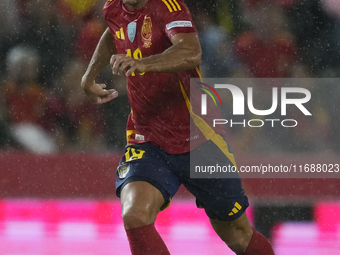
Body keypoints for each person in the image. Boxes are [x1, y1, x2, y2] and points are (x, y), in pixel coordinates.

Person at [81, 0, 275, 254]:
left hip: (198, 136)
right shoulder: (113, 8)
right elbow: (114, 30)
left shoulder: (168, 6)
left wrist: (144, 63)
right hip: (147, 137)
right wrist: (90, 75)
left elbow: (191, 51)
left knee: (238, 235)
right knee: (135, 215)